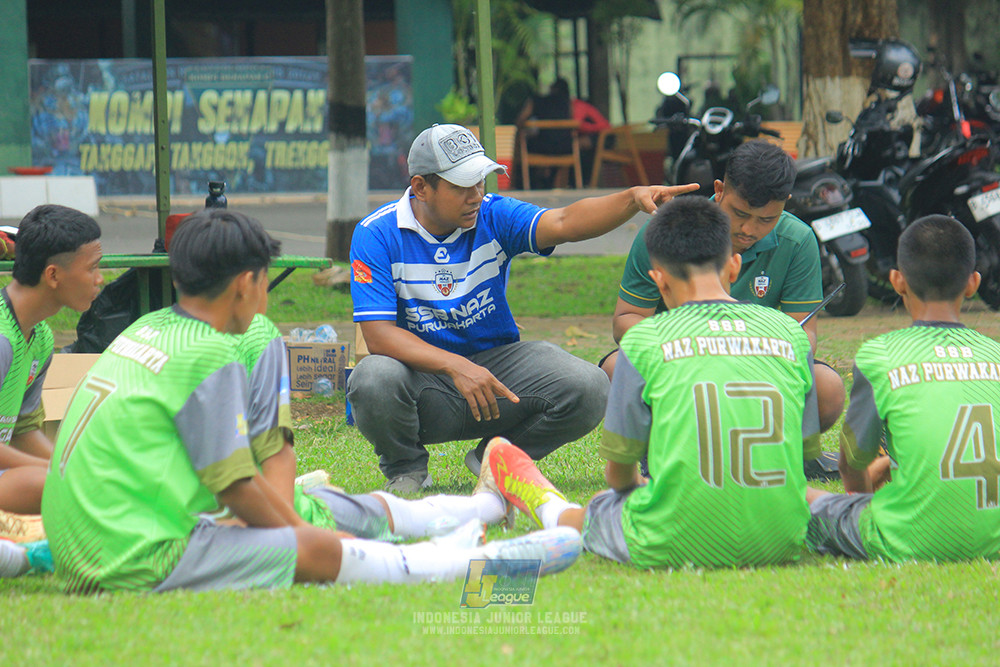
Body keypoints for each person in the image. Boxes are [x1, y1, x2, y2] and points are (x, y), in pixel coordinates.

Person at [41, 208, 580, 593]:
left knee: (334, 509)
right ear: (247, 283)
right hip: (129, 556)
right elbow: (234, 486)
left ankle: (485, 504)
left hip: (86, 544)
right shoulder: (211, 353)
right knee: (314, 547)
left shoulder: (152, 329)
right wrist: (296, 534)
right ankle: (467, 561)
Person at [348, 123, 698, 494]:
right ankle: (407, 469)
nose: (475, 195)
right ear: (421, 187)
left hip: (498, 375)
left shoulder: (493, 214)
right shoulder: (377, 233)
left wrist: (631, 198)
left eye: (480, 181)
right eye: (461, 186)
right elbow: (378, 334)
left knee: (591, 386)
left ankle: (497, 459)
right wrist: (457, 366)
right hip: (423, 383)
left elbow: (564, 222)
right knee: (373, 377)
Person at [481, 196, 819, 569]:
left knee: (601, 505)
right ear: (734, 266)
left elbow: (619, 474)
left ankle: (545, 503)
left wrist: (635, 487)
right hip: (784, 539)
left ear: (658, 279)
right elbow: (801, 457)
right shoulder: (791, 333)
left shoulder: (645, 340)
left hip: (670, 541)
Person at [599, 140, 845, 480]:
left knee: (828, 388)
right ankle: (658, 451)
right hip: (676, 363)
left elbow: (803, 336)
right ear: (719, 190)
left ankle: (779, 453)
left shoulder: (798, 240)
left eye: (766, 219)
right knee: (615, 368)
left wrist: (741, 357)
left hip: (761, 369)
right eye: (740, 214)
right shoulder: (668, 230)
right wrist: (691, 347)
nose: (749, 229)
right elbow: (626, 320)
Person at [806, 215, 1000, 562]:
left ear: (897, 281)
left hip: (910, 538)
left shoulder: (881, 356)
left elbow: (851, 467)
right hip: (993, 540)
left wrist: (860, 500)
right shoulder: (995, 354)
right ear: (972, 283)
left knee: (801, 496)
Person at [236, 311, 517, 538]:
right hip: (243, 524)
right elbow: (267, 460)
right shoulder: (256, 333)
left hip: (231, 519)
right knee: (376, 526)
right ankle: (489, 507)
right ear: (247, 282)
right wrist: (295, 529)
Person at [0, 204, 103, 549]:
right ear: (53, 275)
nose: (100, 279)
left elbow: (23, 429)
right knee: (47, 485)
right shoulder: (2, 341)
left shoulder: (41, 338)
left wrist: (73, 466)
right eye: (93, 268)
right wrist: (62, 474)